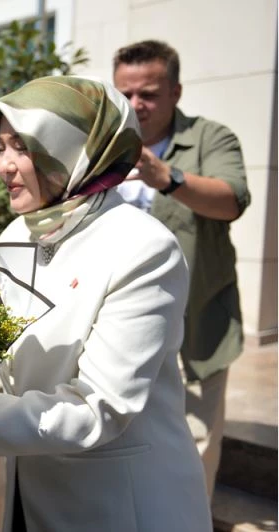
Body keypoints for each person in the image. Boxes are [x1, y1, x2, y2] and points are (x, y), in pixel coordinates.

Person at [0, 76, 213, 531]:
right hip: (34, 496)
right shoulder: (19, 234)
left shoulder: (143, 247)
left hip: (120, 508)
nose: (4, 165)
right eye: (0, 146)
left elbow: (97, 410)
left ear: (71, 147)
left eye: (22, 146)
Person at [113, 40, 250, 499]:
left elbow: (231, 200)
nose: (137, 105)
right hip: (122, 327)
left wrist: (168, 178)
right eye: (126, 93)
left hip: (198, 326)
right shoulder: (105, 147)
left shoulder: (211, 138)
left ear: (176, 91)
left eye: (148, 93)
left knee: (194, 447)